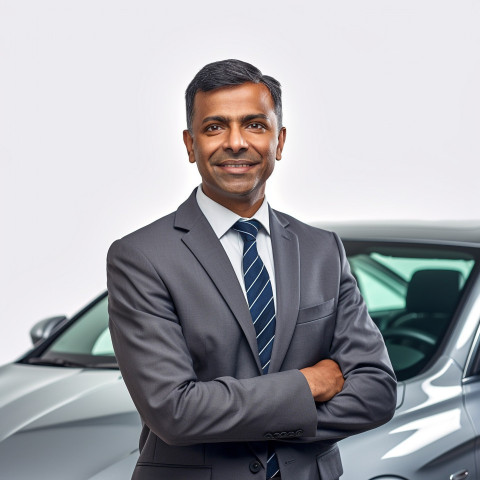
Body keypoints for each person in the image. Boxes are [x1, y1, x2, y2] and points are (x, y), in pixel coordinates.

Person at [107, 59, 397, 480]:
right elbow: (174, 411)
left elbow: (376, 392)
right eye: (214, 127)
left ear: (279, 142)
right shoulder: (141, 256)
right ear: (190, 145)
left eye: (255, 125)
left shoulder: (322, 250)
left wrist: (236, 416)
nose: (236, 142)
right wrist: (307, 385)